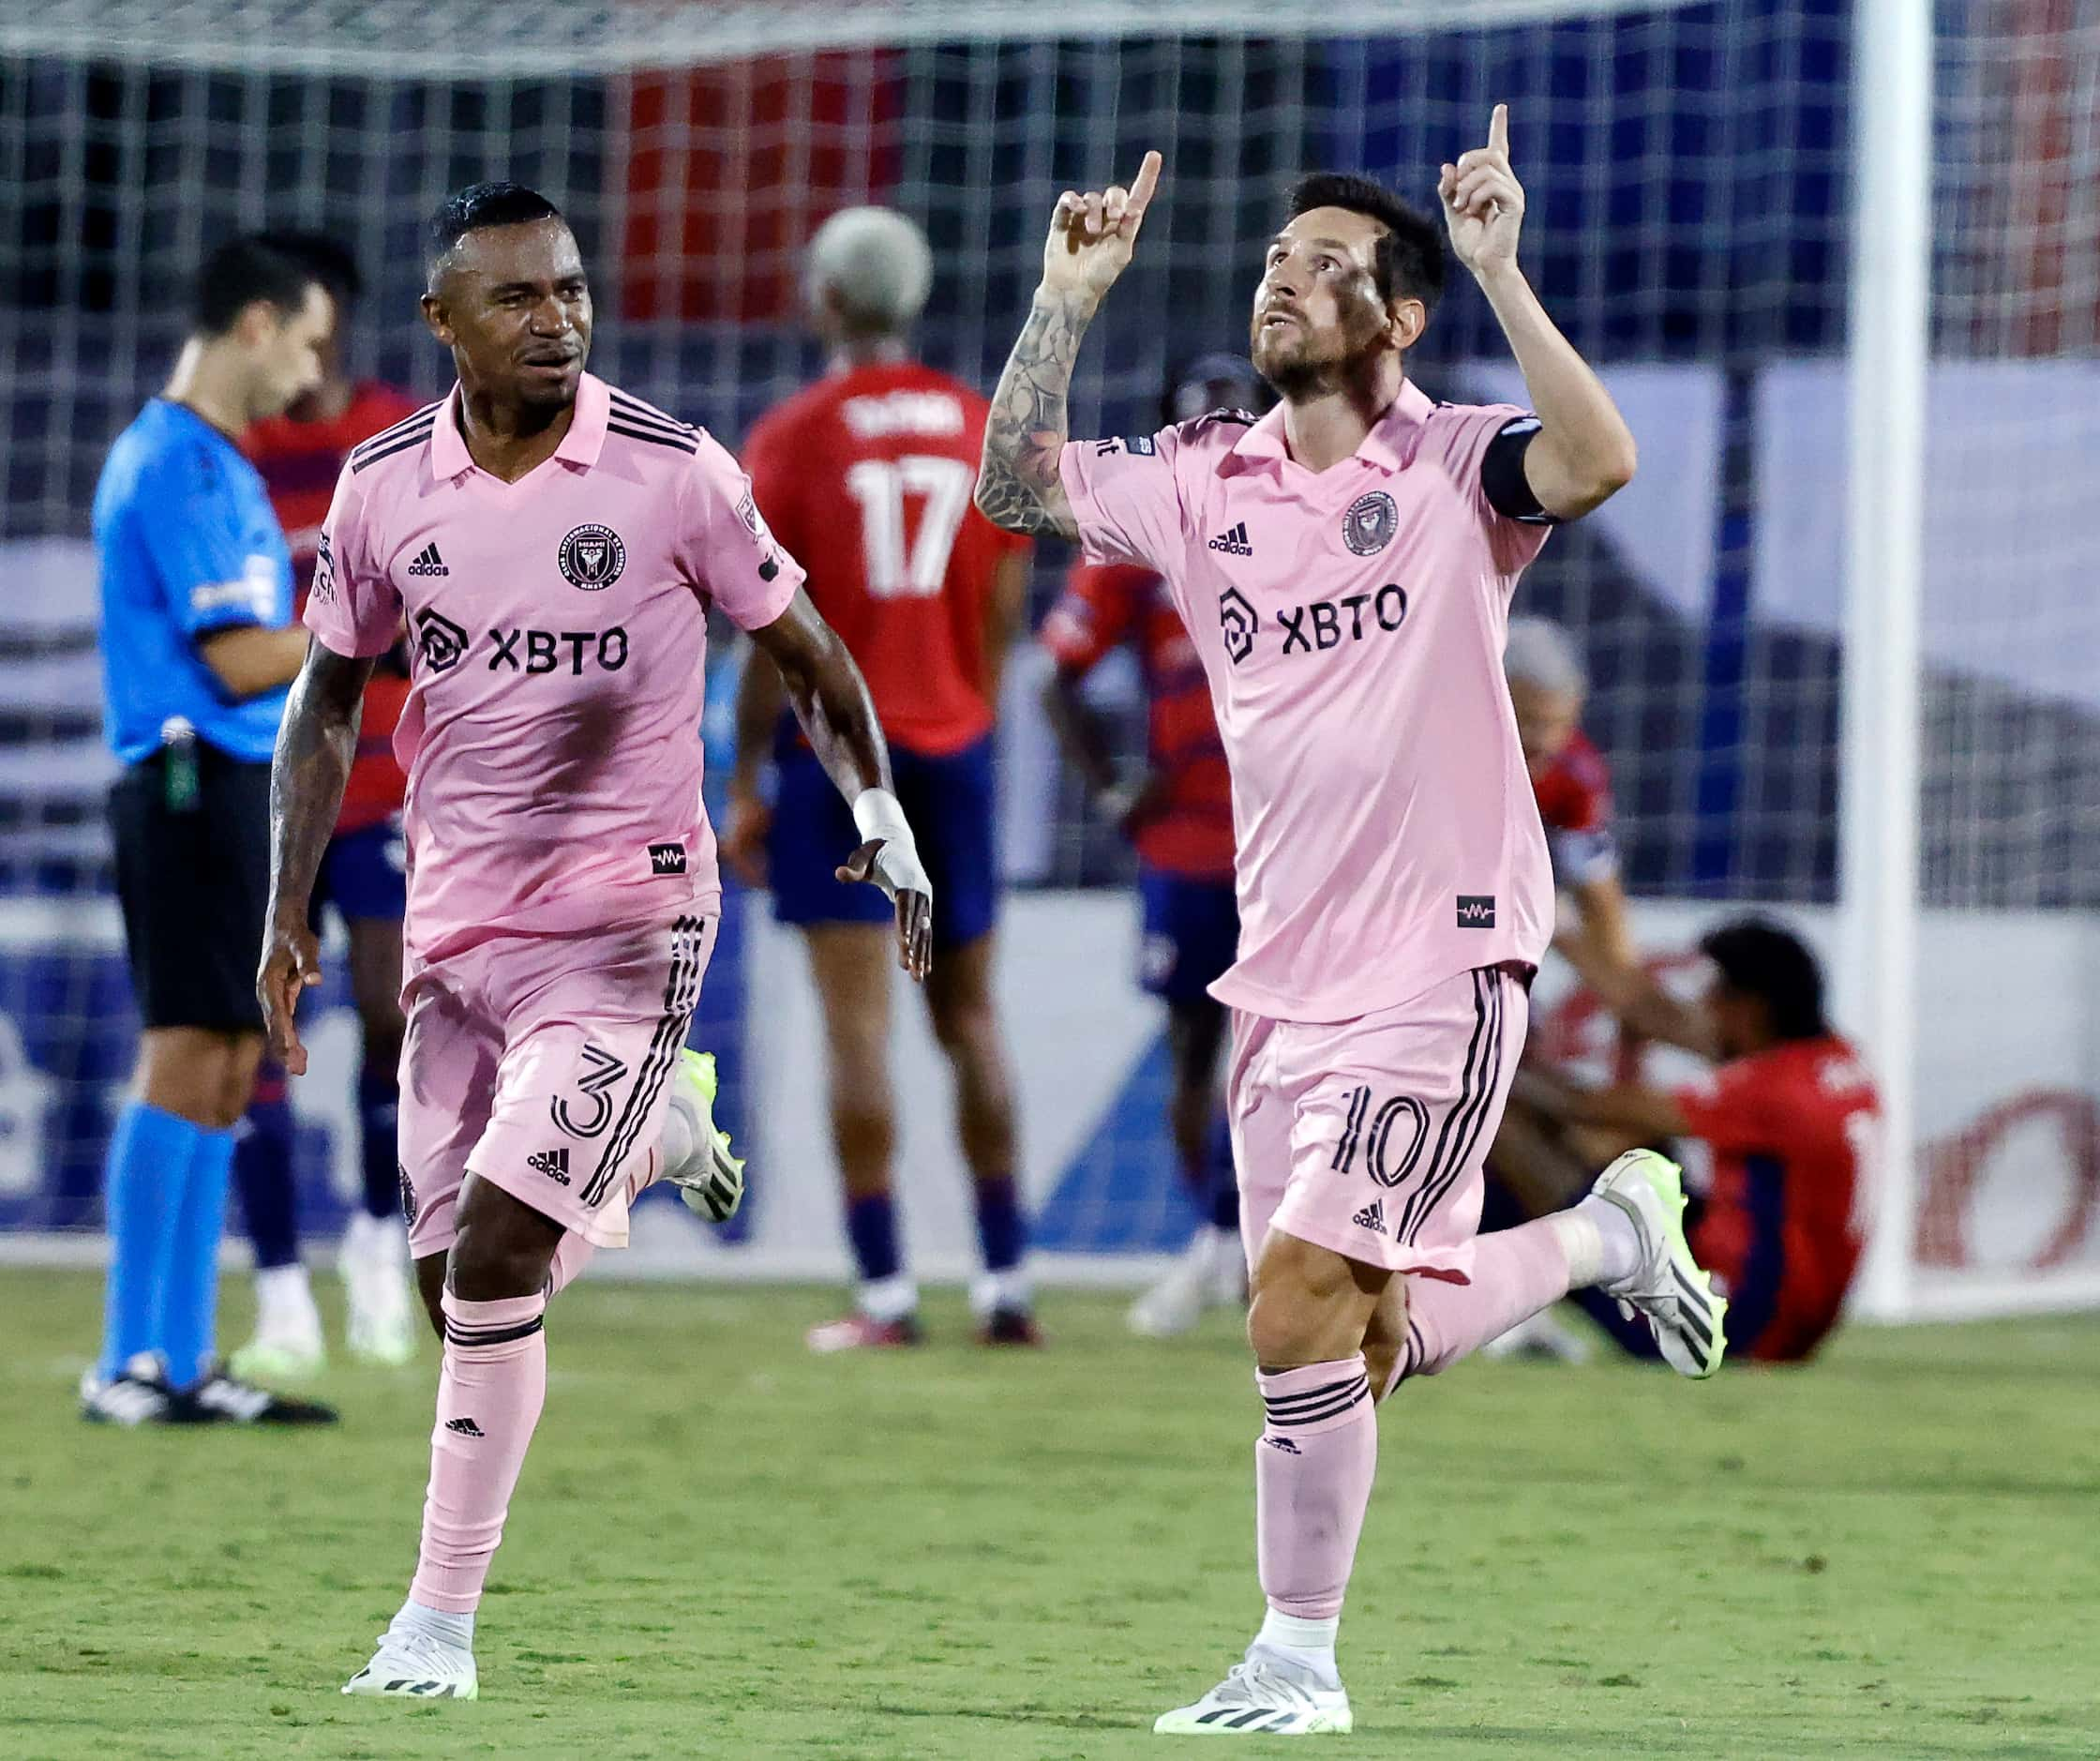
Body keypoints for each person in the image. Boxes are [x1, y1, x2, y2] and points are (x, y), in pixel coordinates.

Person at [976, 114, 1725, 1736]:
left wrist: (1501, 267)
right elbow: (1014, 487)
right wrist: (1068, 295)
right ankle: (1608, 1237)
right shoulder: (1201, 480)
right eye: (1274, 260)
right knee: (1356, 1341)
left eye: (1329, 269)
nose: (1285, 283)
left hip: (1444, 954)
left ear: (1398, 319)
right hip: (1288, 970)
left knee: (1300, 1300)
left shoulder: (1455, 466)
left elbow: (1596, 462)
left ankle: (1295, 1662)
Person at [259, 182, 928, 1702]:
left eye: (568, 291)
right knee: (457, 1295)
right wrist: (286, 904)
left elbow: (808, 653)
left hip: (631, 923)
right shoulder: (379, 490)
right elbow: (328, 701)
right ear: (445, 323)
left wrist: (882, 823)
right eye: (517, 298)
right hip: (454, 922)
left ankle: (432, 1627)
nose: (555, 318)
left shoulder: (673, 471)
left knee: (498, 1257)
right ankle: (657, 1133)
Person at [726, 206, 1037, 1349]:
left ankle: (887, 1298)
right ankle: (1005, 1287)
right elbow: (1006, 603)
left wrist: (750, 778)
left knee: (857, 1032)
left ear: (823, 301)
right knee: (970, 1018)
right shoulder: (975, 425)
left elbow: (774, 629)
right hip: (954, 752)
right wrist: (967, 710)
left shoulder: (795, 436)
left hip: (838, 766)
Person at [81, 233, 341, 1428]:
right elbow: (239, 662)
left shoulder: (221, 465)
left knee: (234, 1061)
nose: (310, 371)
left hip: (241, 792)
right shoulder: (177, 467)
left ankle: (183, 1362)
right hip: (185, 784)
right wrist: (371, 621)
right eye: (305, 341)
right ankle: (128, 1360)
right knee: (187, 1050)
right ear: (253, 325)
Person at [231, 233, 424, 1377]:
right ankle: (278, 1288)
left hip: (393, 775)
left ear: (333, 322)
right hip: (271, 784)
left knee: (398, 1013)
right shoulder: (237, 453)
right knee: (264, 1022)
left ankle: (371, 1238)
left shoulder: (400, 436)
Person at [1040, 354, 1258, 1337]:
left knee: (1283, 1052)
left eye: (1233, 420)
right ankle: (1215, 1241)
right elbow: (1055, 678)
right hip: (1182, 846)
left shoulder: (1307, 526)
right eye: (1195, 423)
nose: (1215, 438)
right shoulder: (1133, 545)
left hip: (1287, 838)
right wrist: (1117, 791)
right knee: (1192, 1053)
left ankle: (1258, 1241)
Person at [1516, 917, 1879, 1364]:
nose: (1702, 1005)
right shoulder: (1837, 1062)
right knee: (1636, 1155)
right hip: (1789, 1320)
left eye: (1714, 993)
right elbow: (1648, 1011)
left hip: (1726, 1326)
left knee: (1497, 1129)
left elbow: (1587, 1105)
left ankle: (1484, 1310)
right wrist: (1552, 922)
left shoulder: (1771, 1091)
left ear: (1749, 1007)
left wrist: (1477, 1063)